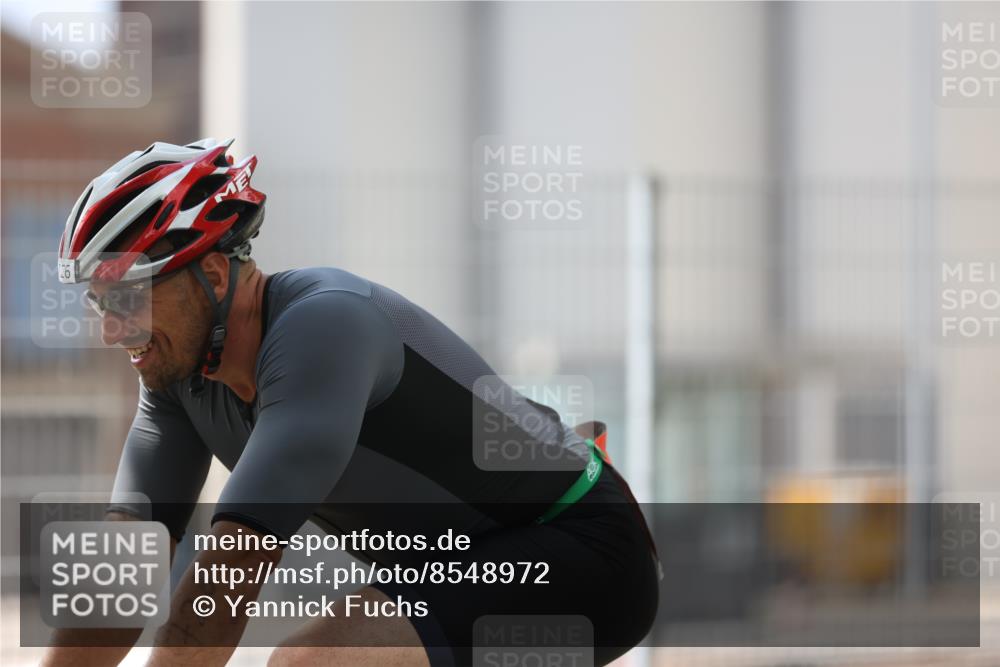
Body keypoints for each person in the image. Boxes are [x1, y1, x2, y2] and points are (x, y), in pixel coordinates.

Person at [43, 138, 660, 667]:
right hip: (454, 565)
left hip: (580, 548)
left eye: (129, 296)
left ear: (213, 274)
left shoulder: (323, 327)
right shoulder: (177, 376)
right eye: (99, 303)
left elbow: (229, 571)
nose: (111, 329)